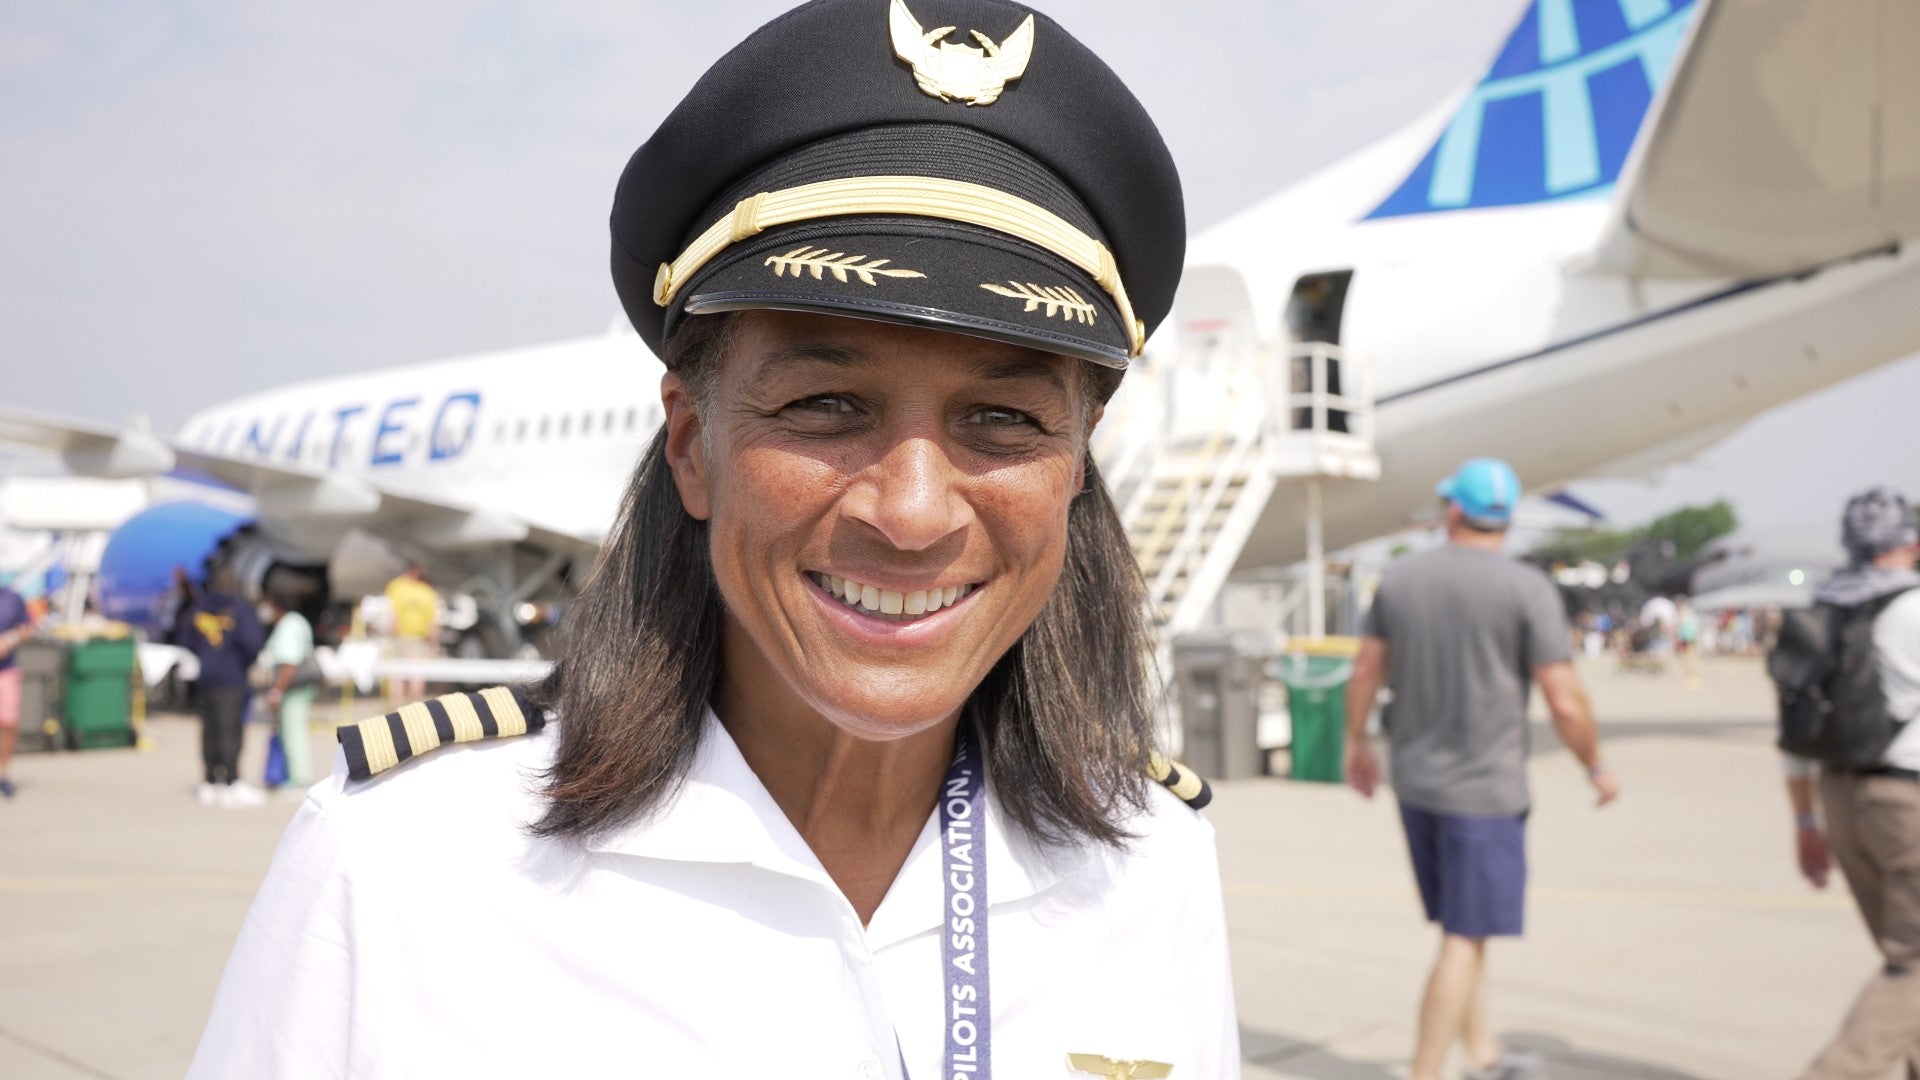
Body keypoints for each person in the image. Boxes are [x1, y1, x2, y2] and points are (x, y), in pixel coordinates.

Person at [188, 2, 1236, 1075]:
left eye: (1005, 419)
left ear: (1077, 466)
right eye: (827, 406)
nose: (914, 513)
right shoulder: (406, 871)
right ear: (692, 446)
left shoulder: (1151, 869)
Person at [1344, 457, 1618, 1080]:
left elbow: (1365, 671)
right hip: (1486, 793)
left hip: (1417, 783)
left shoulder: (1402, 578)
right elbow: (1565, 698)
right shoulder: (1527, 588)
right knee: (1464, 937)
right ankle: (1426, 1072)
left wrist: (1355, 744)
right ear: (1506, 518)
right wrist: (1595, 764)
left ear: (1455, 511)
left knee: (1464, 927)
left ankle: (1483, 1053)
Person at [1784, 486, 1920, 1079]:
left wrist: (1805, 820)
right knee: (1914, 966)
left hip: (1840, 798)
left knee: (1904, 967)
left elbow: (1794, 732)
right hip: (1905, 799)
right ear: (1910, 541)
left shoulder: (1822, 609)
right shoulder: (1913, 608)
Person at [179, 567, 266, 808]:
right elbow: (252, 642)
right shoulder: (238, 609)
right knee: (230, 730)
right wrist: (239, 662)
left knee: (210, 730)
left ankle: (210, 781)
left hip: (206, 677)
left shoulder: (199, 608)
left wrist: (207, 657)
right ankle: (231, 781)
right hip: (231, 678)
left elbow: (185, 638)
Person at [258, 592, 317, 790]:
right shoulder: (296, 621)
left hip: (293, 688)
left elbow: (289, 664)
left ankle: (298, 777)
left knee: (293, 732)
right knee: (293, 730)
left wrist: (276, 691)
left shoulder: (289, 625)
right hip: (297, 687)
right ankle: (294, 774)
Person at [382, 563, 439, 704]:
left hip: (399, 637)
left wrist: (389, 636)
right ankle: (415, 709)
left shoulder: (396, 586)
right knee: (416, 675)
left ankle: (396, 709)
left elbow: (392, 614)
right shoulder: (427, 591)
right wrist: (433, 642)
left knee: (397, 676)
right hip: (418, 639)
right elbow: (433, 621)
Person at [0, 581, 35, 799]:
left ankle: (3, 774)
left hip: (6, 670)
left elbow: (28, 627)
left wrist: (9, 639)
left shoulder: (12, 598)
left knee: (8, 721)